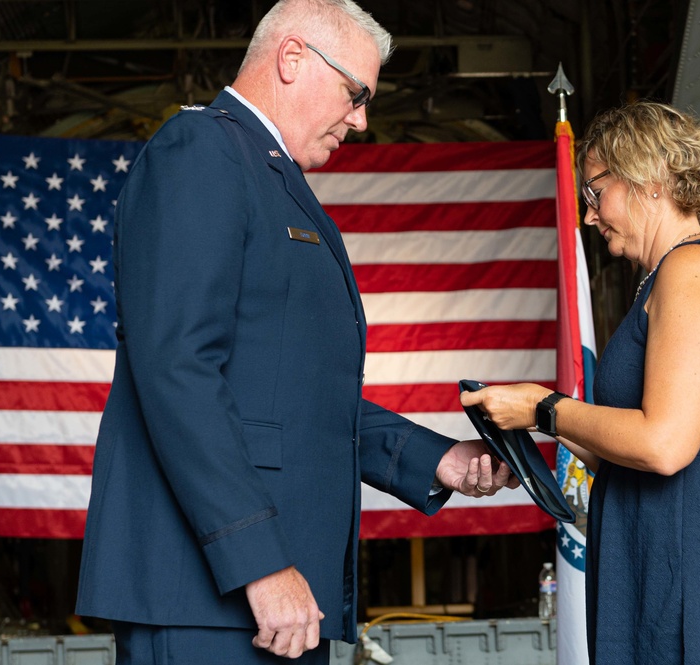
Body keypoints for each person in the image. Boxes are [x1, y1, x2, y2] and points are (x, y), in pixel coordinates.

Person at [75, 1, 516, 663]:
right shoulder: (202, 150)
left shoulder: (266, 173)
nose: (360, 119)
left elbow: (292, 397)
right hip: (213, 595)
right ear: (292, 58)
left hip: (279, 595)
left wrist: (436, 460)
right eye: (355, 93)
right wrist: (259, 563)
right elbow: (178, 368)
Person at [461, 101, 700, 664]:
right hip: (656, 550)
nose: (590, 216)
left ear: (647, 178)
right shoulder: (663, 278)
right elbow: (628, 449)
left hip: (698, 562)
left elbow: (663, 445)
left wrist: (545, 407)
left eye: (595, 192)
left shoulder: (695, 268)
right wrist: (531, 427)